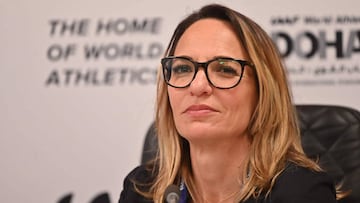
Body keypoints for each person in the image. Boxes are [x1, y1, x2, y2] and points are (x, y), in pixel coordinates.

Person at [119, 4, 341, 203]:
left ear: (263, 92)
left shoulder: (300, 193)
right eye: (183, 68)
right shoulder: (141, 189)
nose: (197, 86)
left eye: (225, 69)